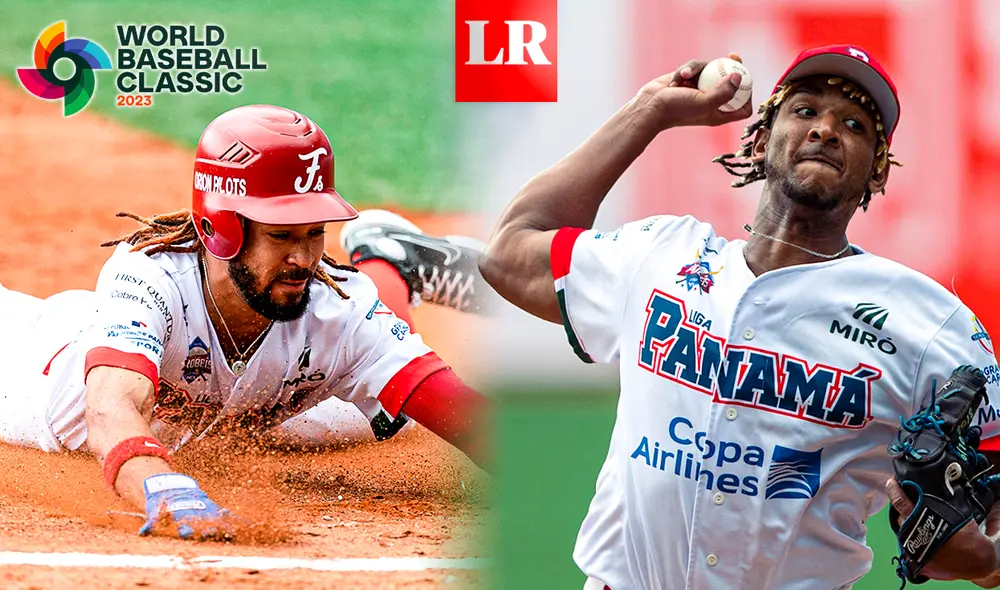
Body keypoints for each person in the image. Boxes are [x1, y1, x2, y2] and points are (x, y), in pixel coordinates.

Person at [464, 45, 1000, 589]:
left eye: (855, 125)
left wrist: (987, 561)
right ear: (763, 140)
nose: (826, 130)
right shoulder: (660, 253)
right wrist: (650, 110)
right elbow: (508, 252)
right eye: (806, 110)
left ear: (876, 172)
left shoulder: (927, 322)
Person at [0, 104, 489, 541]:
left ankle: (388, 261)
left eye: (316, 231)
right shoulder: (150, 280)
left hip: (240, 415)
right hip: (34, 368)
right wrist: (161, 487)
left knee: (395, 417)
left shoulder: (336, 311)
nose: (304, 257)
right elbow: (109, 406)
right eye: (280, 235)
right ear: (221, 227)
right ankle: (390, 260)